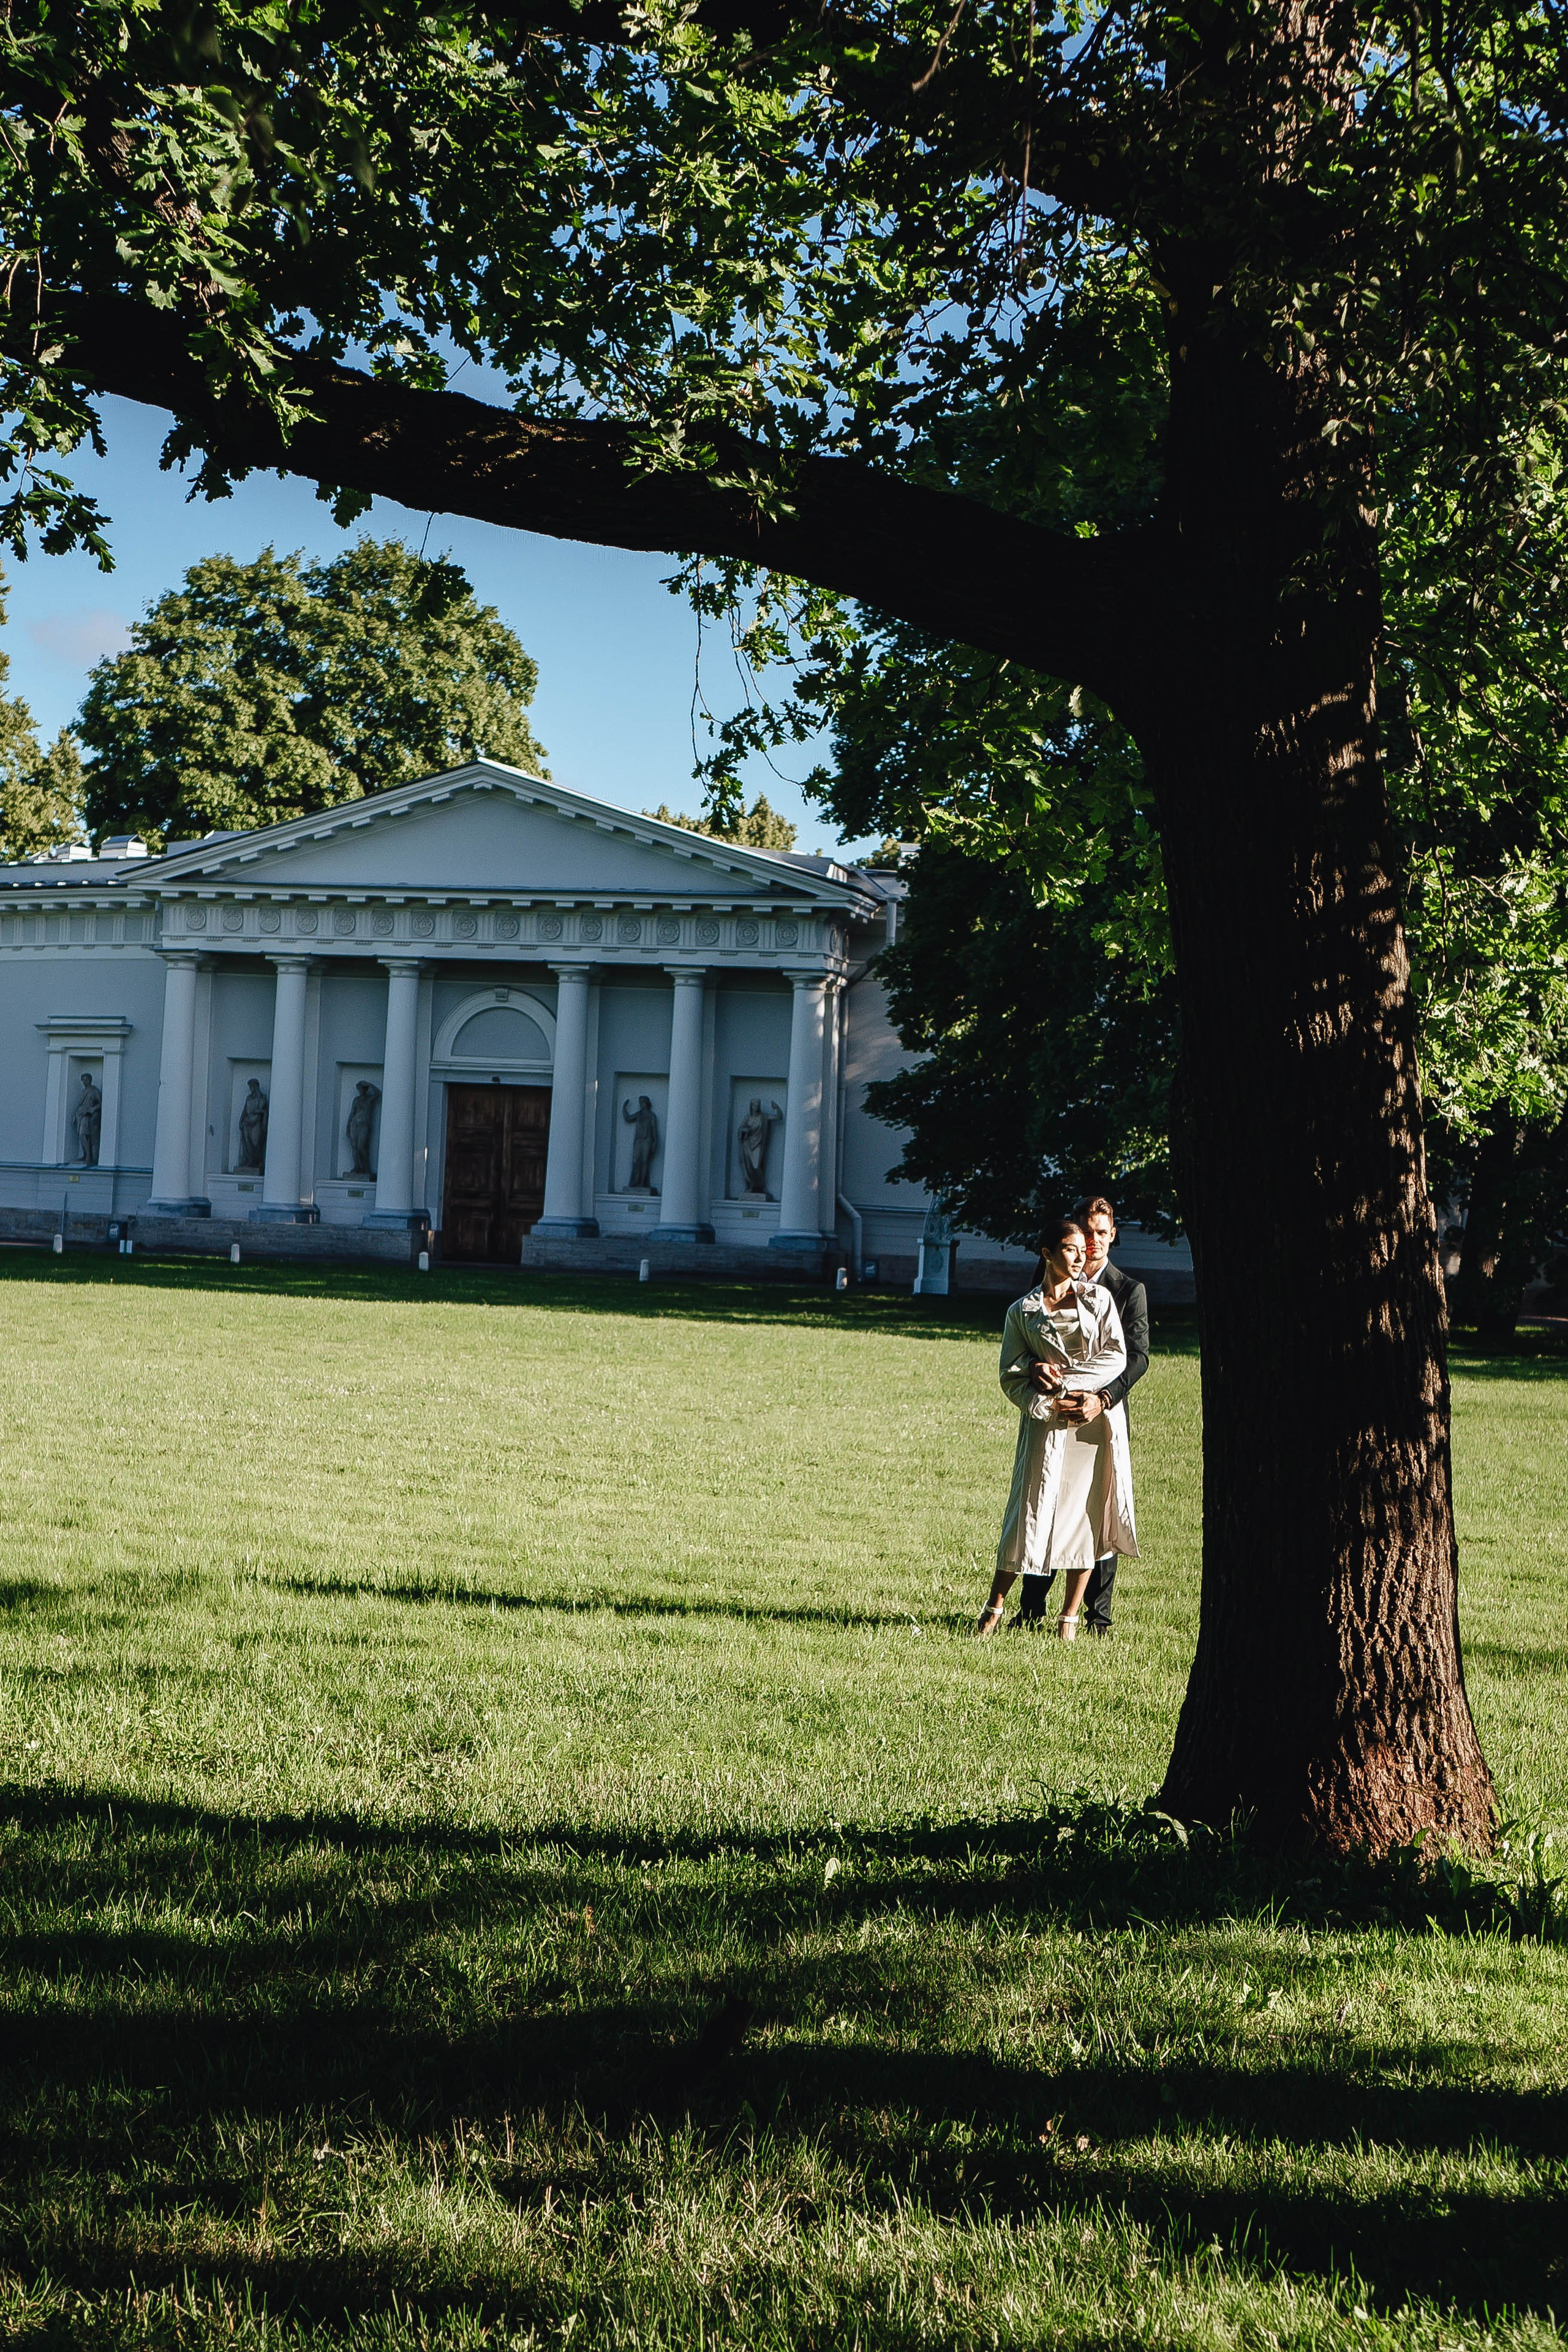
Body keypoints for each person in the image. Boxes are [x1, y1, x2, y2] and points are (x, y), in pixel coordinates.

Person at [976, 1213, 1139, 1641]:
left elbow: (1116, 1357)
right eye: (1071, 1248)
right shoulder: (1022, 1311)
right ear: (1047, 1254)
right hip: (1046, 1424)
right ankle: (994, 1606)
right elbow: (1010, 1372)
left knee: (1084, 1516)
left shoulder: (1100, 1300)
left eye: (1084, 1248)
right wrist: (1037, 1381)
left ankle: (1069, 1619)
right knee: (1027, 1512)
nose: (1081, 1253)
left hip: (1090, 1423)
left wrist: (1075, 1389)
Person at [1014, 1193, 1150, 1634]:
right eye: (1086, 1233)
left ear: (1114, 1237)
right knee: (1047, 1503)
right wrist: (1034, 1369)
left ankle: (1097, 1616)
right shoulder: (1051, 1273)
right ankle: (1031, 1608)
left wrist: (1103, 1398)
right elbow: (1028, 1336)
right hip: (1054, 1412)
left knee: (1098, 1508)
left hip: (1101, 1412)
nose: (1093, 1242)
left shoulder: (1128, 1290)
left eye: (1102, 1233)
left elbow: (1137, 1357)